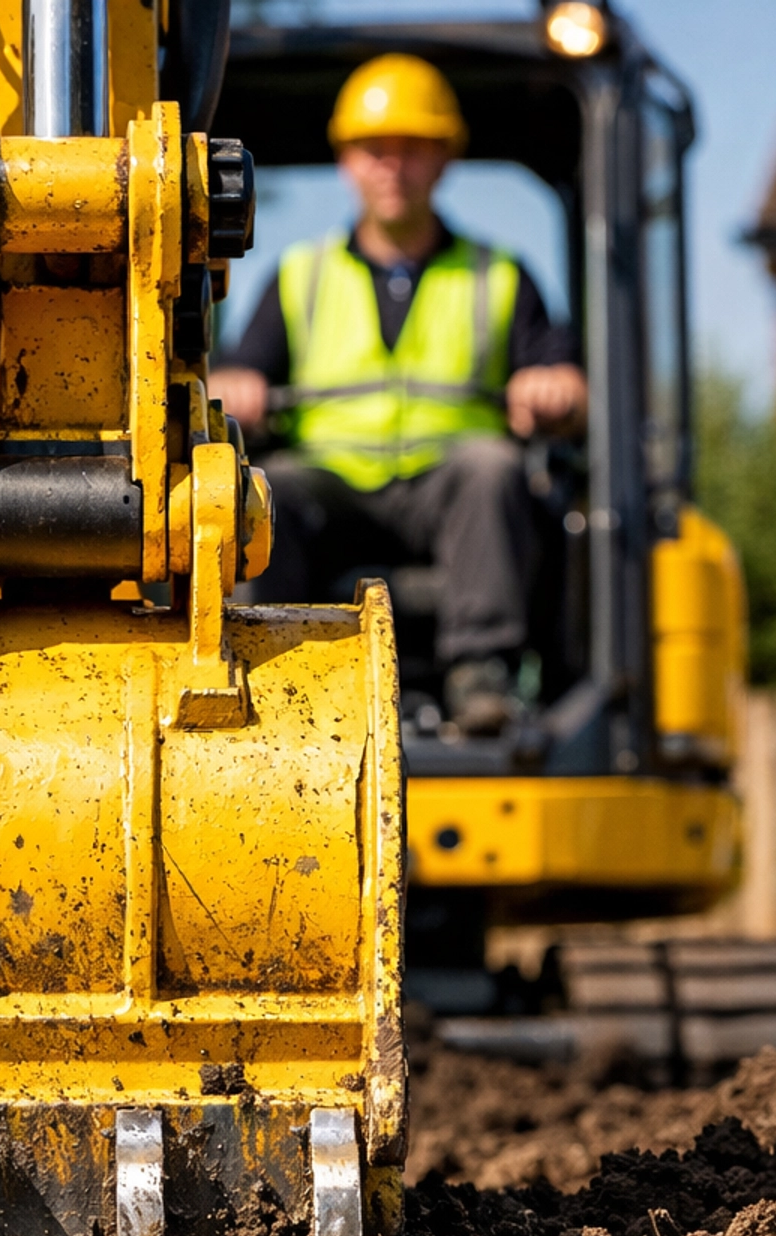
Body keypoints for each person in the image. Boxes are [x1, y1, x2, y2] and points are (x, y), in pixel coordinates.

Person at [210, 54, 587, 734]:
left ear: (444, 160)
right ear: (347, 162)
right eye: (375, 149)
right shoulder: (301, 276)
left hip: (444, 490)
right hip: (334, 483)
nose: (393, 166)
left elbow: (561, 375)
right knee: (270, 488)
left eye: (413, 149)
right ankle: (277, 681)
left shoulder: (498, 275)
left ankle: (480, 675)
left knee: (493, 469)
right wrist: (238, 385)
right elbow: (236, 375)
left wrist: (553, 385)